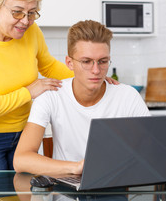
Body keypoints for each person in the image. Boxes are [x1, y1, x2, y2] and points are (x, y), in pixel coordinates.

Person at [0, 0, 118, 171]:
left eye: (32, 13)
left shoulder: (31, 32)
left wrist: (91, 76)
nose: (25, 21)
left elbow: (48, 66)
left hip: (23, 134)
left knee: (25, 196)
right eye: (17, 12)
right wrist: (28, 92)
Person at [13, 20, 150, 175]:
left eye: (103, 61)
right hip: (65, 192)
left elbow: (151, 151)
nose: (96, 70)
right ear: (69, 63)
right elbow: (20, 160)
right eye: (86, 62)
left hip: (114, 186)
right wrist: (75, 167)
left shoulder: (128, 96)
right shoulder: (51, 95)